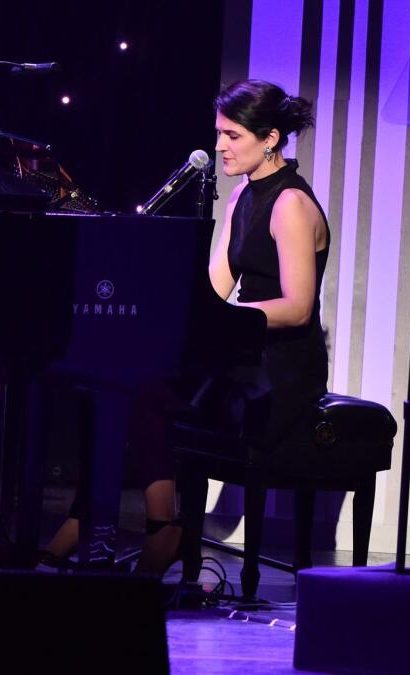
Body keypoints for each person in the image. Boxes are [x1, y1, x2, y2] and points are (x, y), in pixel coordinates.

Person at [42, 79, 329, 575]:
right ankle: (137, 524)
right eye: (219, 133)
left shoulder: (291, 205)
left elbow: (299, 307)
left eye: (233, 136)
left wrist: (228, 323)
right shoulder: (243, 195)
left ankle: (145, 528)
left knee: (143, 391)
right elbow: (215, 290)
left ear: (271, 138)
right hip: (243, 359)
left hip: (280, 374)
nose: (219, 146)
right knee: (119, 381)